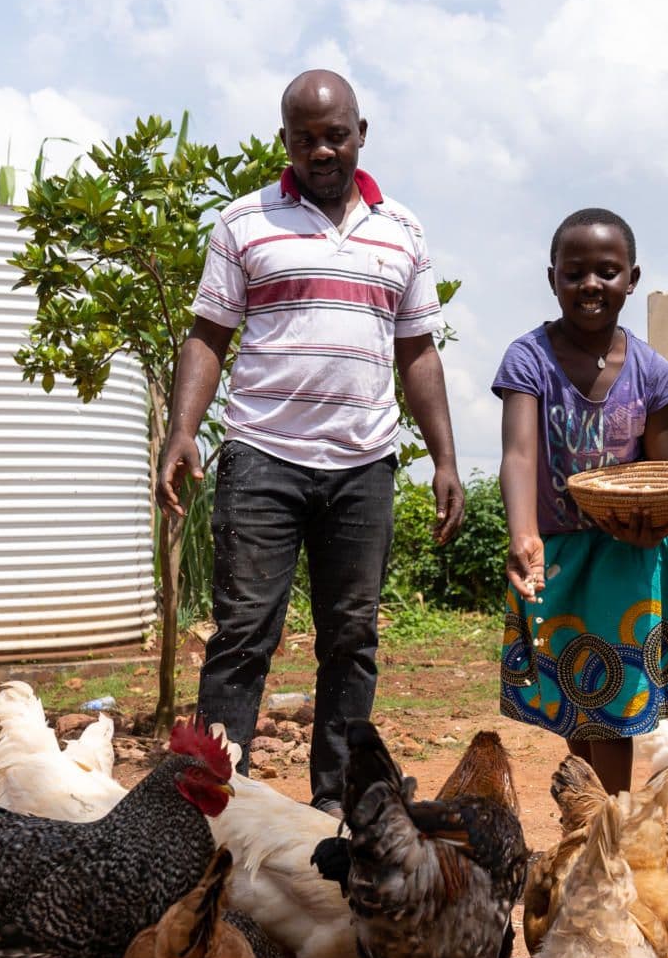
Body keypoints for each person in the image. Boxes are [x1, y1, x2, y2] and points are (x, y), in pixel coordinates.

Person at [158, 69, 465, 813]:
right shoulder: (243, 223)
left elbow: (417, 351)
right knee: (243, 635)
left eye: (335, 134)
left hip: (363, 465)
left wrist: (447, 458)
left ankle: (337, 806)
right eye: (304, 137)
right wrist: (182, 431)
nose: (321, 149)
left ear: (361, 134)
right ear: (285, 140)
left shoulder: (404, 230)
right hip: (263, 458)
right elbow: (208, 335)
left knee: (351, 637)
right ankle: (214, 811)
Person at [496, 208, 668, 795]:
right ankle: (598, 817)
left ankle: (611, 830)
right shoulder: (528, 360)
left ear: (632, 278)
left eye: (608, 272)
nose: (591, 285)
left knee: (612, 703)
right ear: (553, 278)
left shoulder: (652, 373)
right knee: (574, 696)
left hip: (625, 556)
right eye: (576, 273)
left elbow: (661, 477)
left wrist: (652, 528)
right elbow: (518, 456)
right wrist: (523, 536)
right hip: (556, 553)